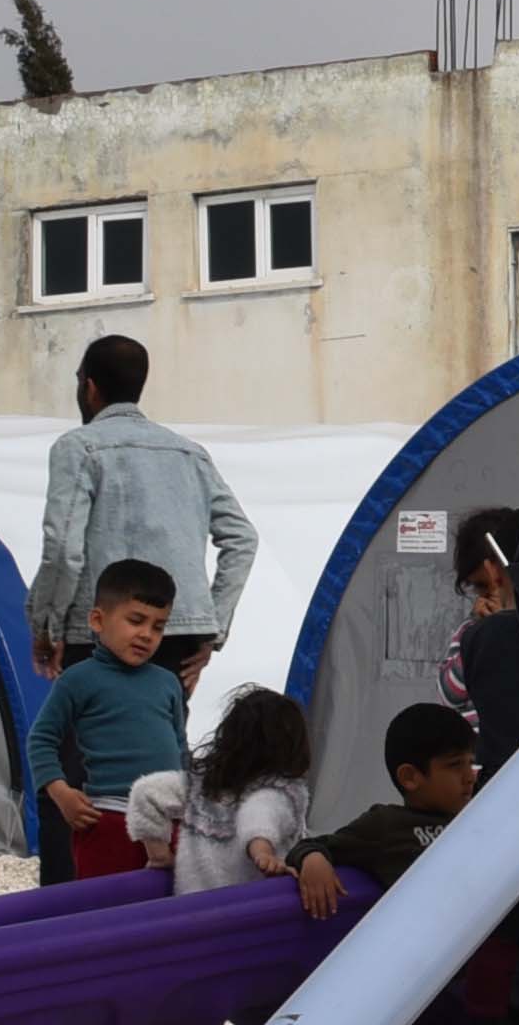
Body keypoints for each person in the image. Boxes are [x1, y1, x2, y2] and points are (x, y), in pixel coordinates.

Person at [297, 701, 519, 1025]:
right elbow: (320, 844)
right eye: (455, 767)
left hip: (515, 953)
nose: (470, 776)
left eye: (472, 763)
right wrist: (314, 858)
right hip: (467, 969)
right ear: (411, 777)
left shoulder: (483, 814)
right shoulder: (388, 826)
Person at [31, 335, 262, 690]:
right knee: (161, 741)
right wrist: (210, 626)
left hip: (99, 634)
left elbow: (64, 548)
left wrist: (49, 626)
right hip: (177, 636)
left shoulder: (78, 447)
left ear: (89, 387)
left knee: (92, 742)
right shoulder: (190, 454)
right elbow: (242, 539)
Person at [20, 559, 195, 887]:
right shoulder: (78, 679)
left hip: (168, 821)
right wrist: (61, 793)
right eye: (136, 620)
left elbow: (179, 745)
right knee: (105, 916)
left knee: (166, 914)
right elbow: (41, 739)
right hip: (108, 820)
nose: (146, 635)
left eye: (158, 626)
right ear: (98, 620)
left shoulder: (168, 682)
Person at [127, 684, 314, 898]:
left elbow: (146, 791)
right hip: (251, 907)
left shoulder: (199, 785)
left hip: (194, 905)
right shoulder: (284, 790)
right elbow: (260, 814)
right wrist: (263, 853)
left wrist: (159, 854)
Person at [447, 510, 519, 773]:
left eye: (489, 586)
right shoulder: (472, 631)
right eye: (479, 589)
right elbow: (450, 691)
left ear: (496, 572)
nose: (488, 596)